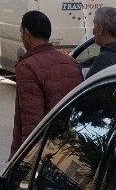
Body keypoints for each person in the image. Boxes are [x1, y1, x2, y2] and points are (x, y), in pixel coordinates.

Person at [9, 10, 83, 156]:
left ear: (27, 34)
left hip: (44, 154)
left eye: (21, 32)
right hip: (70, 150)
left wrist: (24, 161)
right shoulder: (72, 63)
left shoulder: (28, 67)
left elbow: (31, 121)